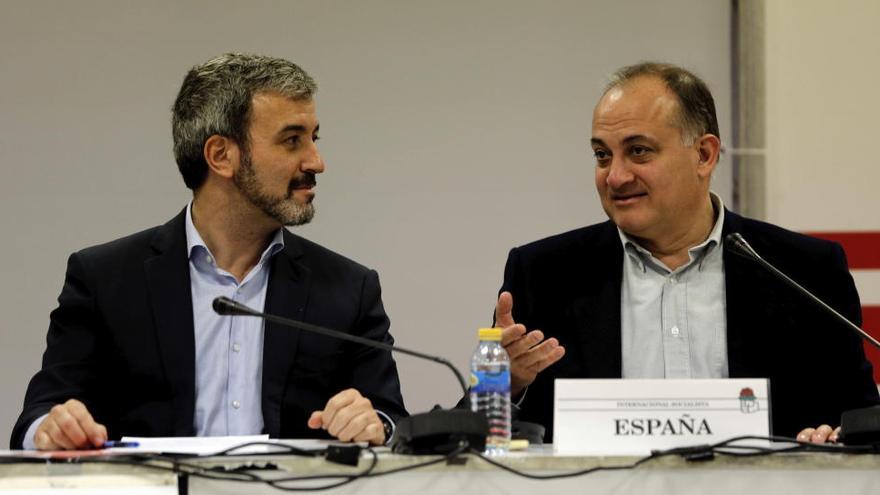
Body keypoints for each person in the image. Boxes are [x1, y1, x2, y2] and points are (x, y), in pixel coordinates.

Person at [11, 53, 407, 450]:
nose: (316, 161)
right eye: (291, 140)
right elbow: (39, 415)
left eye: (313, 138)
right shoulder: (104, 279)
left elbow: (393, 423)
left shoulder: (348, 289)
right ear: (221, 156)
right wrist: (52, 428)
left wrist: (377, 426)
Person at [495, 62, 878, 443]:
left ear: (704, 155)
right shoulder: (545, 274)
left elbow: (863, 421)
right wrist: (506, 385)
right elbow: (470, 436)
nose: (615, 176)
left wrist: (834, 435)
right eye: (602, 155)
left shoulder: (804, 270)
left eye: (639, 151)